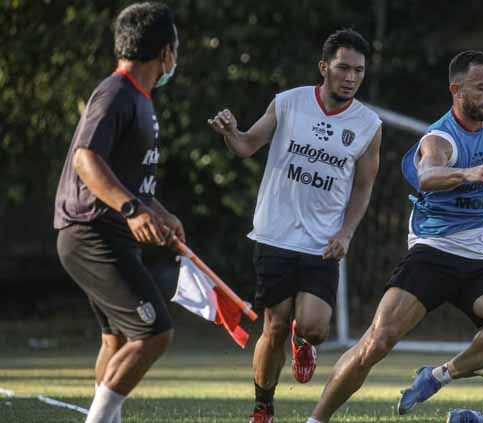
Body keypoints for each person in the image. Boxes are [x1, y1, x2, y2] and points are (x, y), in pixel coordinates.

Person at [304, 50, 483, 423]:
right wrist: (469, 174)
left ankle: (437, 376)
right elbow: (428, 176)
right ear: (456, 89)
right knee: (377, 341)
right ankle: (315, 420)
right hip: (434, 255)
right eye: (481, 87)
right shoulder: (440, 139)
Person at [207, 29, 382, 423]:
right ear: (324, 67)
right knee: (274, 323)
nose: (351, 77)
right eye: (343, 68)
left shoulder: (369, 125)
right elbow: (247, 145)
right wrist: (230, 133)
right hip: (275, 233)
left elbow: (365, 185)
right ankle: (263, 407)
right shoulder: (289, 103)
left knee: (315, 327)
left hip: (323, 241)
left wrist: (346, 232)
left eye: (359, 70)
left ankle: (304, 343)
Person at [53, 3, 183, 422]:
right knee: (154, 334)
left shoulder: (139, 98)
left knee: (117, 338)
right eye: (176, 47)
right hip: (92, 235)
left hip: (110, 235)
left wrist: (157, 211)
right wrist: (131, 210)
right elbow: (86, 160)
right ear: (165, 52)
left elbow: (126, 177)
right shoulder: (116, 92)